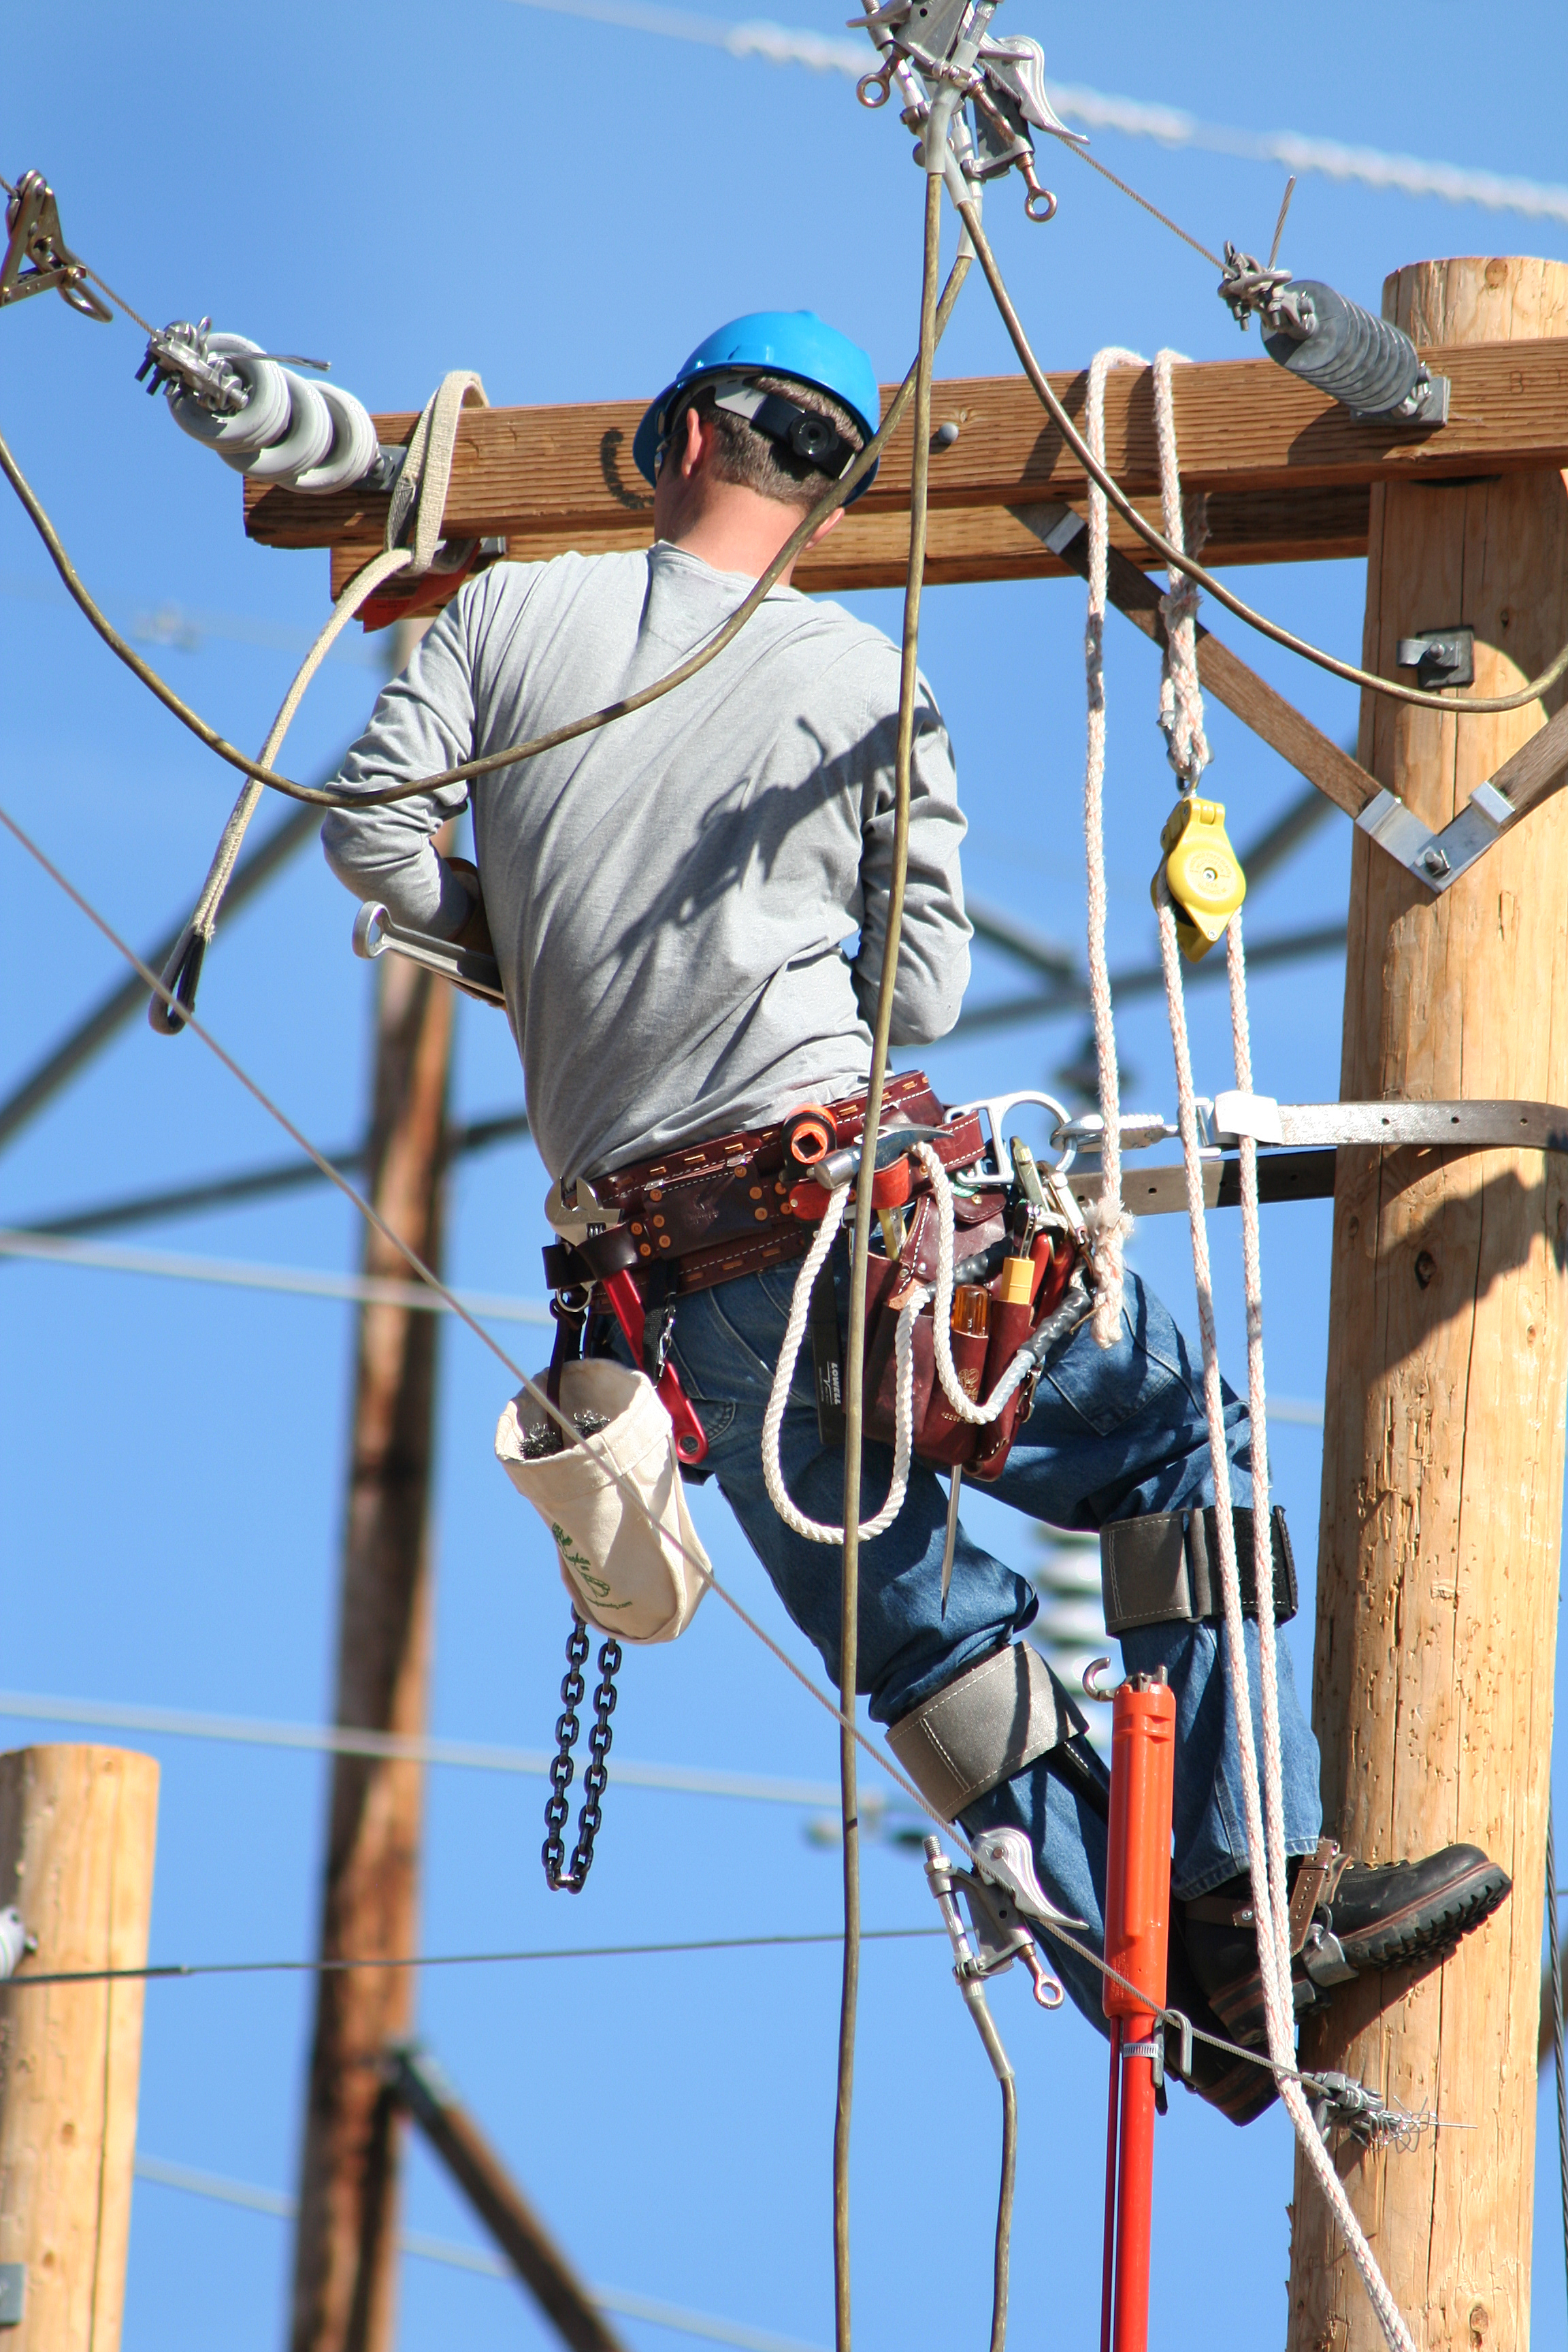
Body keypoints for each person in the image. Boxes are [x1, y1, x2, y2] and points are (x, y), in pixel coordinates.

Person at [320, 308, 1509, 2121]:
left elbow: (375, 846)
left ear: (682, 443)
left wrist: (565, 972)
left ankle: (1157, 1976)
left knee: (928, 1642)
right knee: (1167, 1431)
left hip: (672, 1298)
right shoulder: (866, 677)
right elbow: (927, 991)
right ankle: (1247, 1897)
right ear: (827, 487)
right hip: (857, 1224)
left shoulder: (501, 613)